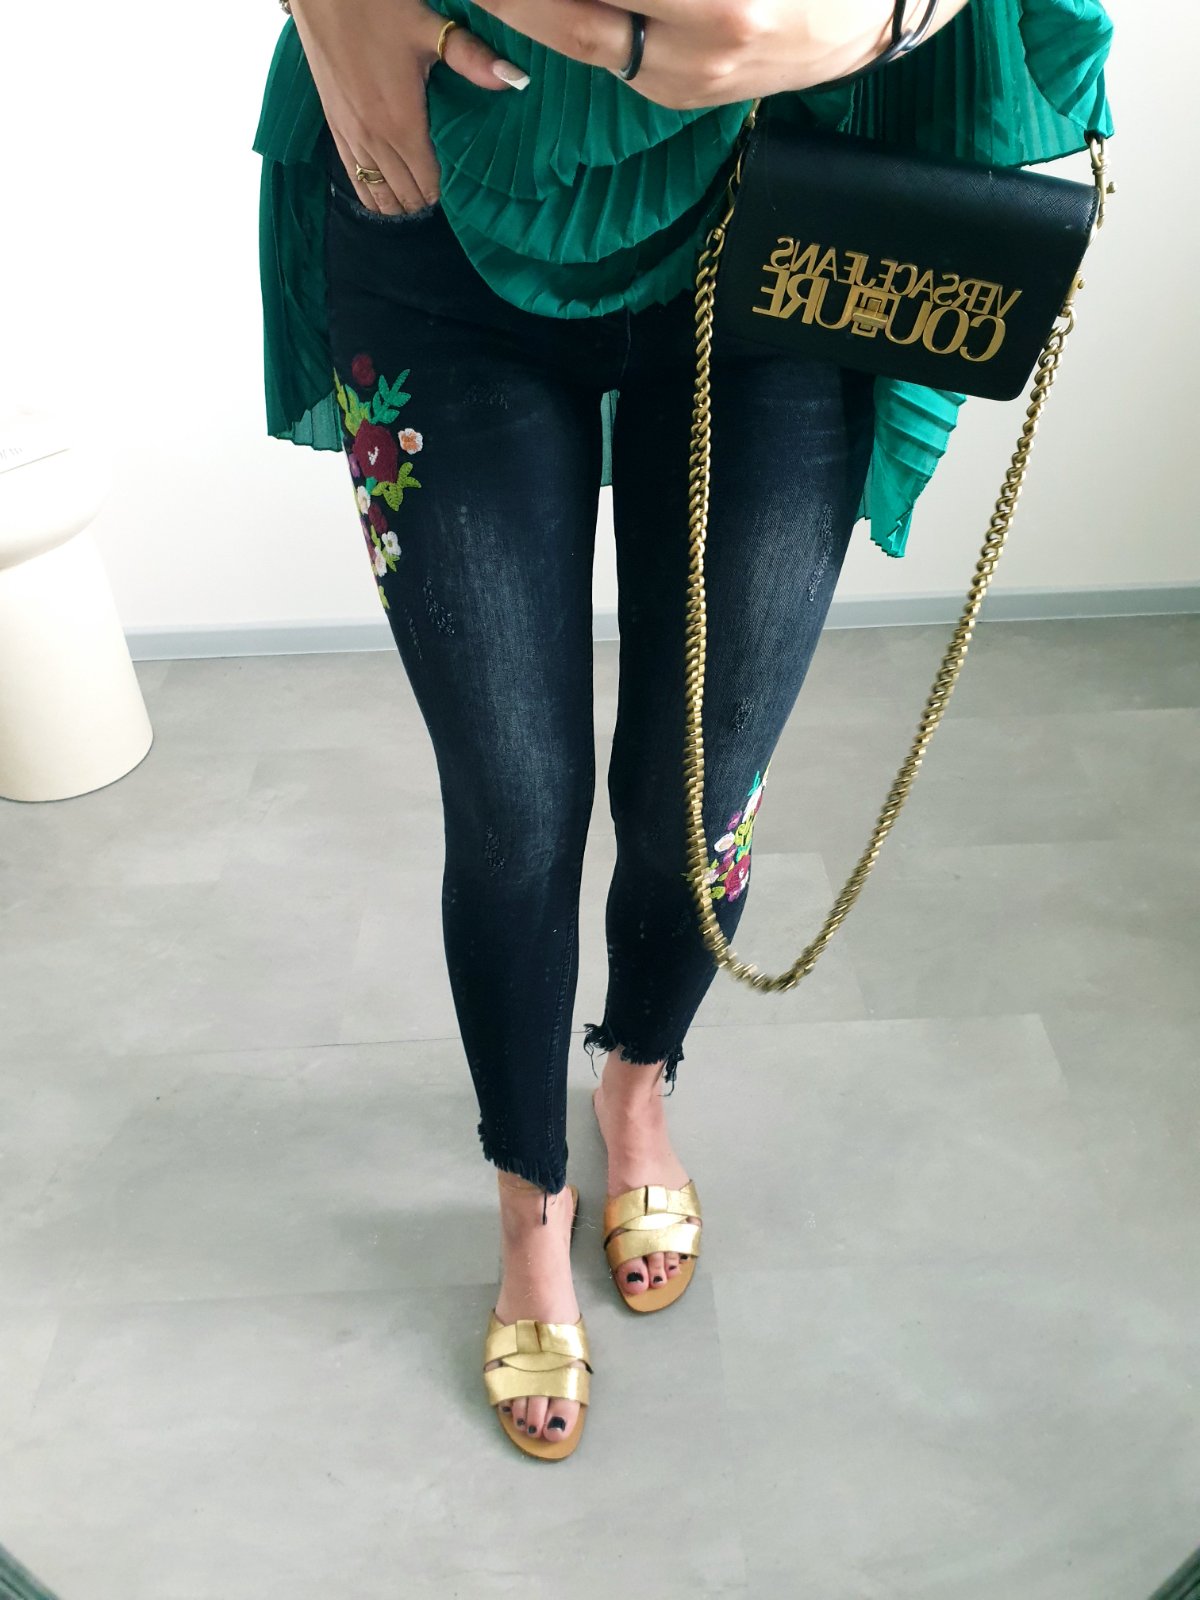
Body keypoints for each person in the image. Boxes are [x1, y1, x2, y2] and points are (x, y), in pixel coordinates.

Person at [252, 0, 1114, 1460]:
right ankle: (530, 1200)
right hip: (443, 173)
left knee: (700, 792)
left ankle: (637, 1089)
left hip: (788, 190)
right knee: (512, 811)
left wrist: (893, 15)